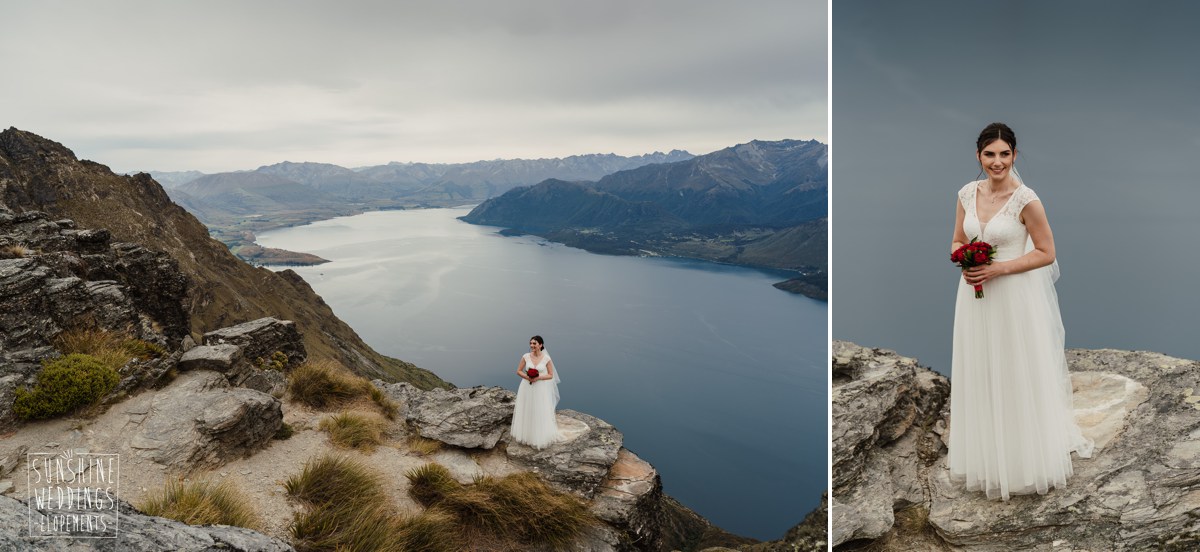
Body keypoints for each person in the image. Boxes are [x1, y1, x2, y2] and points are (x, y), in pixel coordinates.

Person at [948, 122, 1093, 500]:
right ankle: (986, 457)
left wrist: (996, 268)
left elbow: (1047, 253)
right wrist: (963, 258)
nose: (997, 162)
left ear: (1014, 155)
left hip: (1013, 296)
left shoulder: (1026, 199)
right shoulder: (966, 193)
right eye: (990, 154)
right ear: (978, 156)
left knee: (1015, 371)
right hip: (974, 294)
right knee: (981, 369)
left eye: (1005, 154)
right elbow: (958, 237)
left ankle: (1022, 462)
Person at [509, 335, 561, 449]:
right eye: (531, 343)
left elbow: (550, 375)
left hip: (540, 388)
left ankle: (538, 436)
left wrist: (538, 378)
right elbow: (518, 371)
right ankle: (526, 435)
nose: (532, 345)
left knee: (539, 410)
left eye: (534, 343)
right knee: (527, 408)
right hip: (526, 386)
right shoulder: (526, 356)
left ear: (540, 345)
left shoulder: (546, 358)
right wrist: (527, 377)